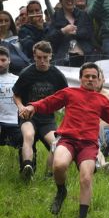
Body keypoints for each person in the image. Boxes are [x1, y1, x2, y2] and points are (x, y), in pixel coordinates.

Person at [18, 62, 109, 218]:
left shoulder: (103, 100)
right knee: (59, 166)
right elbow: (48, 102)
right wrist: (33, 107)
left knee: (86, 178)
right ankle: (61, 191)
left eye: (94, 77)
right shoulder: (69, 93)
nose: (90, 79)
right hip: (67, 140)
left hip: (88, 145)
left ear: (99, 80)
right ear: (80, 78)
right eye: (87, 76)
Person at [12, 41, 68, 179]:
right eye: (39, 57)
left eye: (45, 57)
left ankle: (49, 175)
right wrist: (21, 107)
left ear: (50, 56)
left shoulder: (57, 75)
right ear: (34, 56)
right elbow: (16, 94)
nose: (42, 61)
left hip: (47, 119)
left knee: (57, 144)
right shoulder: (26, 73)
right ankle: (28, 167)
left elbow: (66, 97)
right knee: (28, 135)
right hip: (28, 116)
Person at [46, 0, 94, 67]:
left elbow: (90, 33)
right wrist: (63, 31)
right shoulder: (56, 17)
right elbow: (50, 38)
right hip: (64, 58)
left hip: (85, 56)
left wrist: (76, 33)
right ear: (61, 0)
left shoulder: (83, 14)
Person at [0, 46, 22, 161]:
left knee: (25, 143)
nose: (0, 63)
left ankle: (26, 168)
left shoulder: (18, 79)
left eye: (3, 60)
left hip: (14, 122)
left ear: (9, 60)